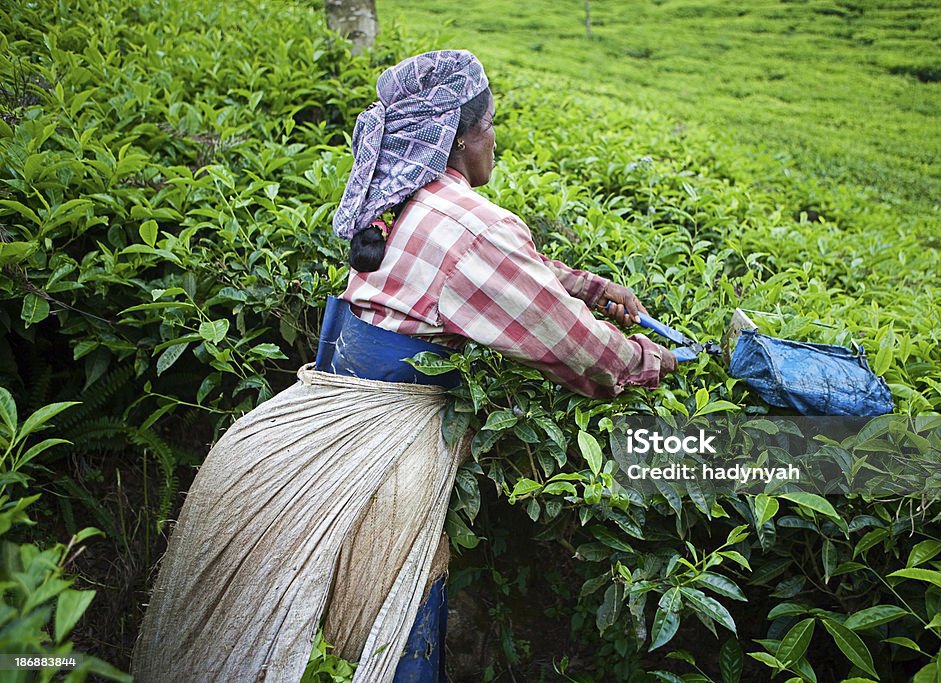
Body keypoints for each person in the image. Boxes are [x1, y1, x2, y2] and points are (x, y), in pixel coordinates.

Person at [132, 50, 678, 683]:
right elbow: (577, 349)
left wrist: (582, 284)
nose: (496, 140)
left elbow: (488, 277)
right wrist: (648, 360)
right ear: (462, 135)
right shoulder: (475, 222)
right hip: (388, 441)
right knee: (398, 594)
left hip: (314, 409)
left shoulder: (400, 196)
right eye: (492, 123)